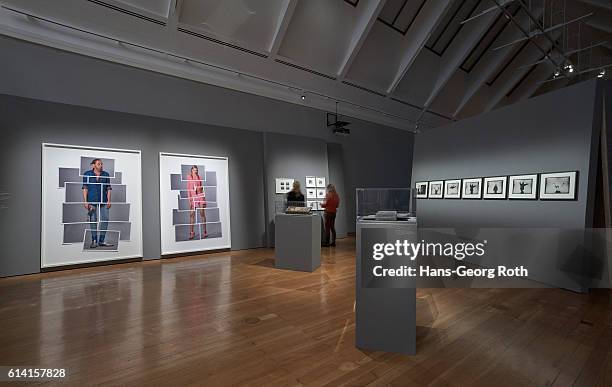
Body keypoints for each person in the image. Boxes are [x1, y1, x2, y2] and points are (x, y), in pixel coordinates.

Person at [82, 158, 112, 248]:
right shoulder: (87, 174)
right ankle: (94, 240)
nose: (101, 165)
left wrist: (109, 200)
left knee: (105, 219)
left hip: (103, 201)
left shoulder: (106, 175)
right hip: (91, 200)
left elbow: (108, 188)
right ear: (93, 165)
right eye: (99, 164)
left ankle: (101, 241)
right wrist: (85, 201)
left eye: (102, 164)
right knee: (93, 220)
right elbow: (85, 187)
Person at [187, 165, 207, 240]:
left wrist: (204, 199)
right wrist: (190, 200)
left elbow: (202, 189)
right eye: (194, 170)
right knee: (192, 214)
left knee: (202, 213)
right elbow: (188, 189)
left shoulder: (199, 177)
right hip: (193, 197)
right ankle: (192, 232)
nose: (196, 171)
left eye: (197, 170)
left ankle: (205, 231)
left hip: (200, 196)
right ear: (191, 170)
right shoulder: (189, 177)